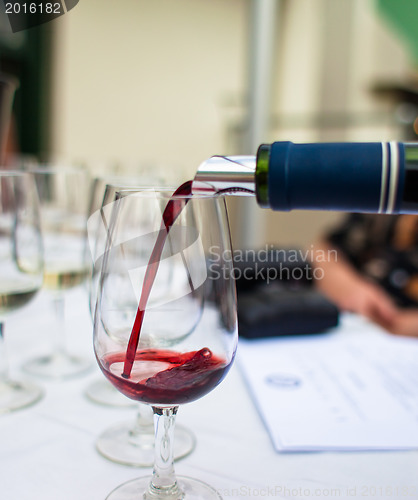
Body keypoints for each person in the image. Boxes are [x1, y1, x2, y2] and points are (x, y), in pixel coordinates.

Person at [313, 213, 418, 337]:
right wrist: (352, 288)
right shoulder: (393, 204)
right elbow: (321, 252)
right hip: (357, 329)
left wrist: (397, 323)